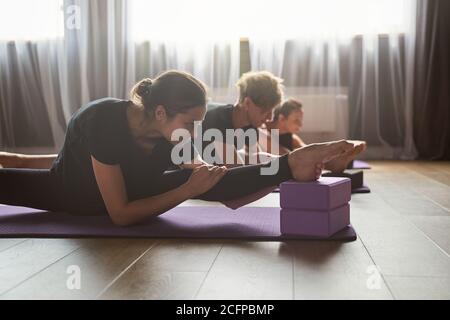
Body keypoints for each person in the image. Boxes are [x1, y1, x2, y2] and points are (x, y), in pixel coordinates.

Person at [0, 70, 355, 226]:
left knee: (207, 179)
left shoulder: (170, 133)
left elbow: (204, 172)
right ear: (159, 111)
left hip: (137, 185)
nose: (194, 131)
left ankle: (292, 165)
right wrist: (188, 189)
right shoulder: (102, 121)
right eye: (189, 122)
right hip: (73, 194)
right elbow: (120, 215)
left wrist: (271, 166)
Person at [261, 98, 367, 172]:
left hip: (286, 152)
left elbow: (307, 150)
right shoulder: (264, 129)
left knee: (306, 151)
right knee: (295, 155)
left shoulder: (291, 137)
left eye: (301, 120)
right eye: (296, 120)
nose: (300, 124)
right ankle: (335, 161)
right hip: (273, 156)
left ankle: (336, 160)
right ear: (281, 119)